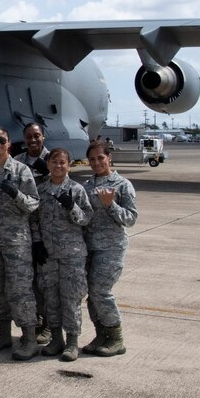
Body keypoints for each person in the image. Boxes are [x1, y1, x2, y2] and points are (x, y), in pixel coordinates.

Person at [0, 127, 41, 360]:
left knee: (20, 290)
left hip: (17, 243)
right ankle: (3, 334)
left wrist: (16, 194)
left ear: (8, 143)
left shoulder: (22, 170)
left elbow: (33, 204)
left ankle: (29, 338)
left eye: (1, 140)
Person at [35, 147, 93, 362]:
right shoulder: (41, 191)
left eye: (62, 162)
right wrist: (37, 242)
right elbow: (33, 219)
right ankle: (56, 339)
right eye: (54, 162)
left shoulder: (76, 189)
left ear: (69, 165)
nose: (58, 166)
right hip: (48, 254)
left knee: (71, 299)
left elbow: (86, 218)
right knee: (51, 299)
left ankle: (72, 342)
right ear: (48, 164)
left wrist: (72, 208)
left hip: (72, 254)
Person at [82, 140, 138, 357]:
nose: (96, 163)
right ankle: (101, 335)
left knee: (101, 291)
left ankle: (116, 338)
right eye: (92, 159)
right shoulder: (86, 186)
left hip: (111, 248)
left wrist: (110, 205)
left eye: (100, 158)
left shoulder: (122, 185)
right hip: (89, 248)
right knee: (92, 295)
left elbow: (131, 218)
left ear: (109, 158)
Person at [14, 122, 52, 345]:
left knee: (45, 280)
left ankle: (47, 324)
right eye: (29, 136)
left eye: (36, 136)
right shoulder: (18, 162)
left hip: (47, 227)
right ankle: (34, 322)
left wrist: (48, 170)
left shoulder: (53, 159)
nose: (33, 140)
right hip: (24, 227)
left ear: (43, 137)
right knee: (26, 281)